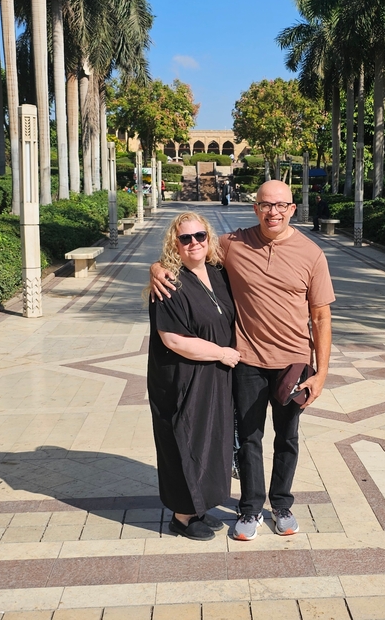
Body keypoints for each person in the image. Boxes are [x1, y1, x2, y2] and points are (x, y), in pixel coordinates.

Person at [151, 180, 335, 542]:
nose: (273, 212)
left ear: (292, 209)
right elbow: (190, 250)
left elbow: (321, 317)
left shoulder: (312, 253)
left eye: (281, 205)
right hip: (248, 361)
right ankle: (250, 507)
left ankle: (281, 505)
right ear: (256, 208)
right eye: (266, 205)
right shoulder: (234, 244)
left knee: (287, 438)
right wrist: (156, 268)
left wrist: (322, 373)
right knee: (249, 438)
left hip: (293, 364)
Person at [147, 212, 240, 541]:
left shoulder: (218, 272)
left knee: (210, 441)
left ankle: (199, 507)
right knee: (184, 442)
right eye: (185, 238)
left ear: (209, 238)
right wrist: (222, 353)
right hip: (182, 379)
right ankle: (182, 516)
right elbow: (173, 340)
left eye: (200, 236)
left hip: (214, 376)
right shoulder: (169, 282)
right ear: (175, 244)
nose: (194, 243)